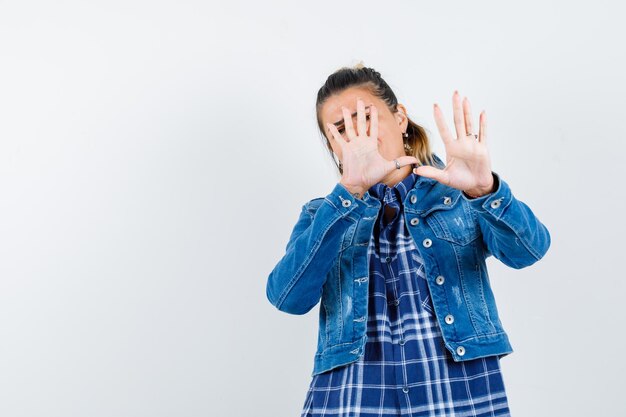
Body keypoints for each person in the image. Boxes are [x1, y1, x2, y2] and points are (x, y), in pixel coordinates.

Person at [265, 63, 551, 417]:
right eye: (341, 129)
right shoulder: (321, 214)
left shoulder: (458, 194)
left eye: (366, 118)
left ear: (399, 117)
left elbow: (528, 250)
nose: (359, 135)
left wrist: (485, 190)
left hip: (455, 393)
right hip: (351, 398)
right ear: (332, 146)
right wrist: (349, 194)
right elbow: (287, 297)